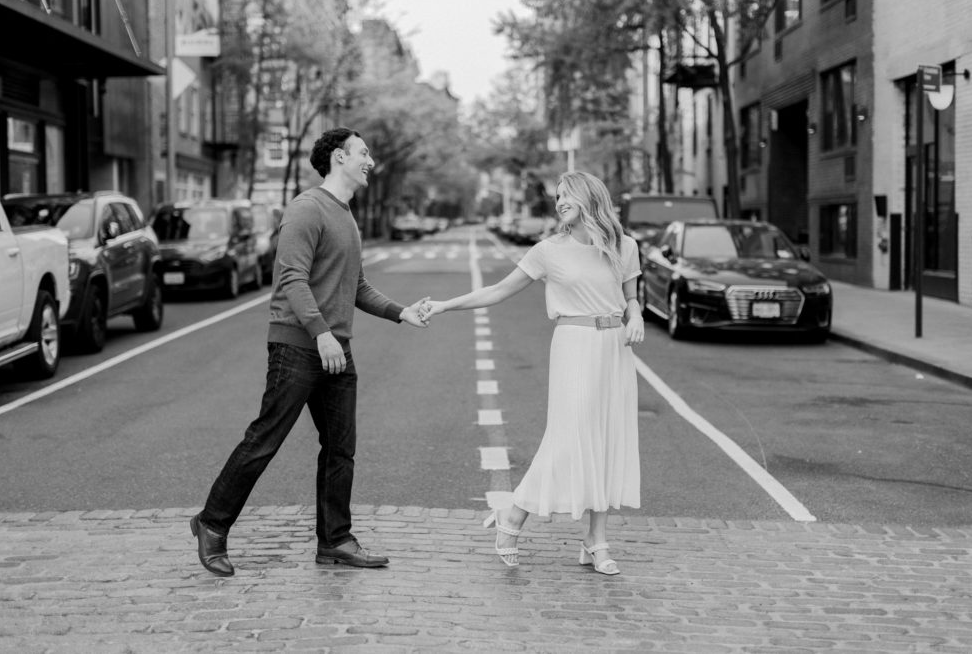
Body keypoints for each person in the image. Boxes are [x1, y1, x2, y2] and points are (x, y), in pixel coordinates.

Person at [191, 128, 429, 577]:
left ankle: (335, 540)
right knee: (265, 440)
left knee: (341, 449)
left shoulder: (347, 216)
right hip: (299, 346)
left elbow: (355, 286)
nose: (371, 161)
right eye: (363, 153)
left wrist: (402, 313)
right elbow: (291, 279)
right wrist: (320, 332)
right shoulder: (307, 208)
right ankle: (211, 524)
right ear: (339, 157)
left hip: (336, 349)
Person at [421, 170, 644, 575]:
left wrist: (636, 315)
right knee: (568, 438)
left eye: (566, 195)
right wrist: (444, 305)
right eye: (556, 197)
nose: (558, 202)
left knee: (607, 438)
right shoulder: (548, 251)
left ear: (587, 196)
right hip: (574, 346)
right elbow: (498, 291)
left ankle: (596, 540)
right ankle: (513, 517)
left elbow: (630, 296)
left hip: (615, 350)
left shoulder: (623, 245)